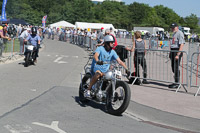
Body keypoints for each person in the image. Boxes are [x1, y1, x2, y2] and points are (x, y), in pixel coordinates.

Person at [168, 23, 185, 88]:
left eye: (174, 27)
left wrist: (178, 54)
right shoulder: (174, 33)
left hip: (177, 50)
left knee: (176, 67)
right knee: (173, 67)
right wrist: (170, 52)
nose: (172, 29)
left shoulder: (180, 33)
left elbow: (181, 44)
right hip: (173, 51)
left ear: (177, 27)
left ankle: (177, 83)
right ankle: (175, 81)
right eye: (172, 27)